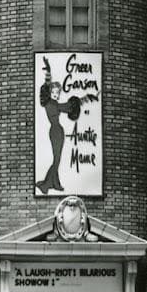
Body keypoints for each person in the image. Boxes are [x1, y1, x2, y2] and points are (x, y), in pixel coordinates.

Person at [36, 59, 84, 195]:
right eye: (54, 92)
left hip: (56, 131)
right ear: (50, 93)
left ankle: (55, 183)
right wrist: (49, 71)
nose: (56, 95)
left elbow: (67, 106)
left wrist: (49, 70)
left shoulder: (49, 103)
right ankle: (47, 184)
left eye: (58, 93)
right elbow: (68, 107)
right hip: (56, 131)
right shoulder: (53, 105)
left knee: (57, 158)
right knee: (57, 159)